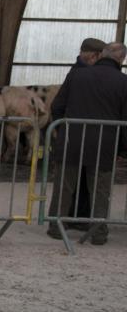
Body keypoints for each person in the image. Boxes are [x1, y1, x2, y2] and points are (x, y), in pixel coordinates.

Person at [47, 42, 127, 245]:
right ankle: (98, 232)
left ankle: (56, 226)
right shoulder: (123, 82)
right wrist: (122, 149)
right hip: (104, 144)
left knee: (64, 185)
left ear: (102, 55)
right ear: (122, 59)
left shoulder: (77, 75)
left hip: (72, 140)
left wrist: (62, 129)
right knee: (100, 190)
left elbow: (57, 106)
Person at [63, 37, 106, 224]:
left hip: (76, 136)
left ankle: (72, 217)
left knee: (75, 182)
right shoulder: (80, 74)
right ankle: (79, 218)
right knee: (83, 182)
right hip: (86, 136)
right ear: (93, 55)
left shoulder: (76, 72)